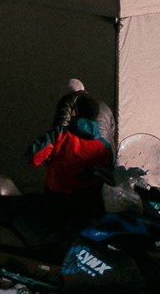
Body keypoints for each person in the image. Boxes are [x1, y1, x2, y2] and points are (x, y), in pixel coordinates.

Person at [26, 90, 113, 221]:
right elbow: (108, 173)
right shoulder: (105, 146)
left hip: (56, 202)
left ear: (75, 112)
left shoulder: (60, 134)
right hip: (87, 205)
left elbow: (33, 157)